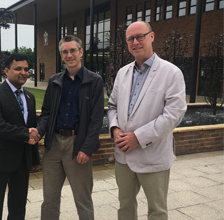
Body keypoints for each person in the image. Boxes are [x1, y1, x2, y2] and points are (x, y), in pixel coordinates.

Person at [107, 21, 187, 220]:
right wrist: (115, 129)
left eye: (140, 36)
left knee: (157, 211)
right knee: (125, 207)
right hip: (123, 156)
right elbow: (113, 106)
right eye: (130, 39)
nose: (135, 42)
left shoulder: (171, 73)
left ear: (151, 36)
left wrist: (138, 137)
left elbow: (173, 115)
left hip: (153, 156)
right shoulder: (122, 73)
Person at [31, 35, 104, 220]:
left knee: (83, 199)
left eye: (73, 50)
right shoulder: (55, 81)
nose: (69, 55)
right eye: (65, 52)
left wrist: (86, 148)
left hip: (77, 144)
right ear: (61, 55)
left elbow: (96, 120)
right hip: (53, 144)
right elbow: (47, 113)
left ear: (81, 52)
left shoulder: (94, 81)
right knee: (49, 199)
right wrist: (40, 131)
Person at [0, 53, 41, 220]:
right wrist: (25, 134)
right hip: (0, 158)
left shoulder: (30, 97)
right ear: (6, 70)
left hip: (22, 160)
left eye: (26, 69)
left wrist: (34, 158)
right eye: (18, 68)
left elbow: (31, 126)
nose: (23, 72)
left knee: (18, 206)